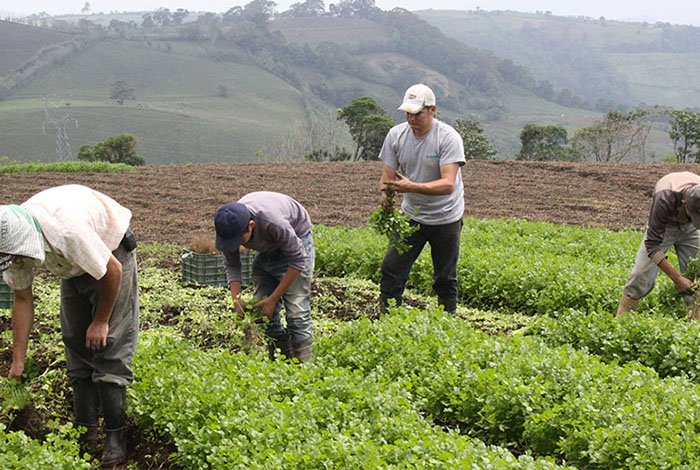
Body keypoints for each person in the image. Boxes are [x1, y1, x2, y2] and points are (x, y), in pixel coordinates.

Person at [0, 184, 138, 466]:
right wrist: (18, 362)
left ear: (20, 246)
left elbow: (112, 271)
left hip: (111, 255)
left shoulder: (67, 232)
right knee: (75, 341)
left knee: (108, 344)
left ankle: (115, 436)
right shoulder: (9, 241)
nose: (14, 263)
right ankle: (85, 432)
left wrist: (100, 321)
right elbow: (22, 299)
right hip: (71, 266)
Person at [377, 83, 466, 314]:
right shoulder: (396, 135)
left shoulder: (448, 138)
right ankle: (388, 318)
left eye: (417, 113)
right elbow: (387, 176)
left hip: (446, 217)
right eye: (408, 113)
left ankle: (447, 322)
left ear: (432, 110)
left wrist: (410, 187)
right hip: (411, 215)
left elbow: (447, 184)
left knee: (445, 278)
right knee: (391, 269)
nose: (411, 119)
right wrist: (386, 200)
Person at [214, 191, 315, 362]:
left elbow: (299, 260)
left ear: (251, 225)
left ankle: (304, 368)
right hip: (269, 244)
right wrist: (236, 299)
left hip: (297, 238)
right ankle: (280, 358)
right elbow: (232, 264)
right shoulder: (229, 226)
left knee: (297, 313)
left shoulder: (273, 222)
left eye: (240, 240)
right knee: (262, 312)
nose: (236, 244)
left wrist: (273, 299)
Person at [618, 171, 700, 316]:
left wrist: (690, 277)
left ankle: (695, 321)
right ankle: (622, 318)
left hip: (690, 230)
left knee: (696, 274)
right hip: (666, 225)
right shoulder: (665, 198)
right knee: (641, 273)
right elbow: (652, 245)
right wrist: (678, 279)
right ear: (684, 203)